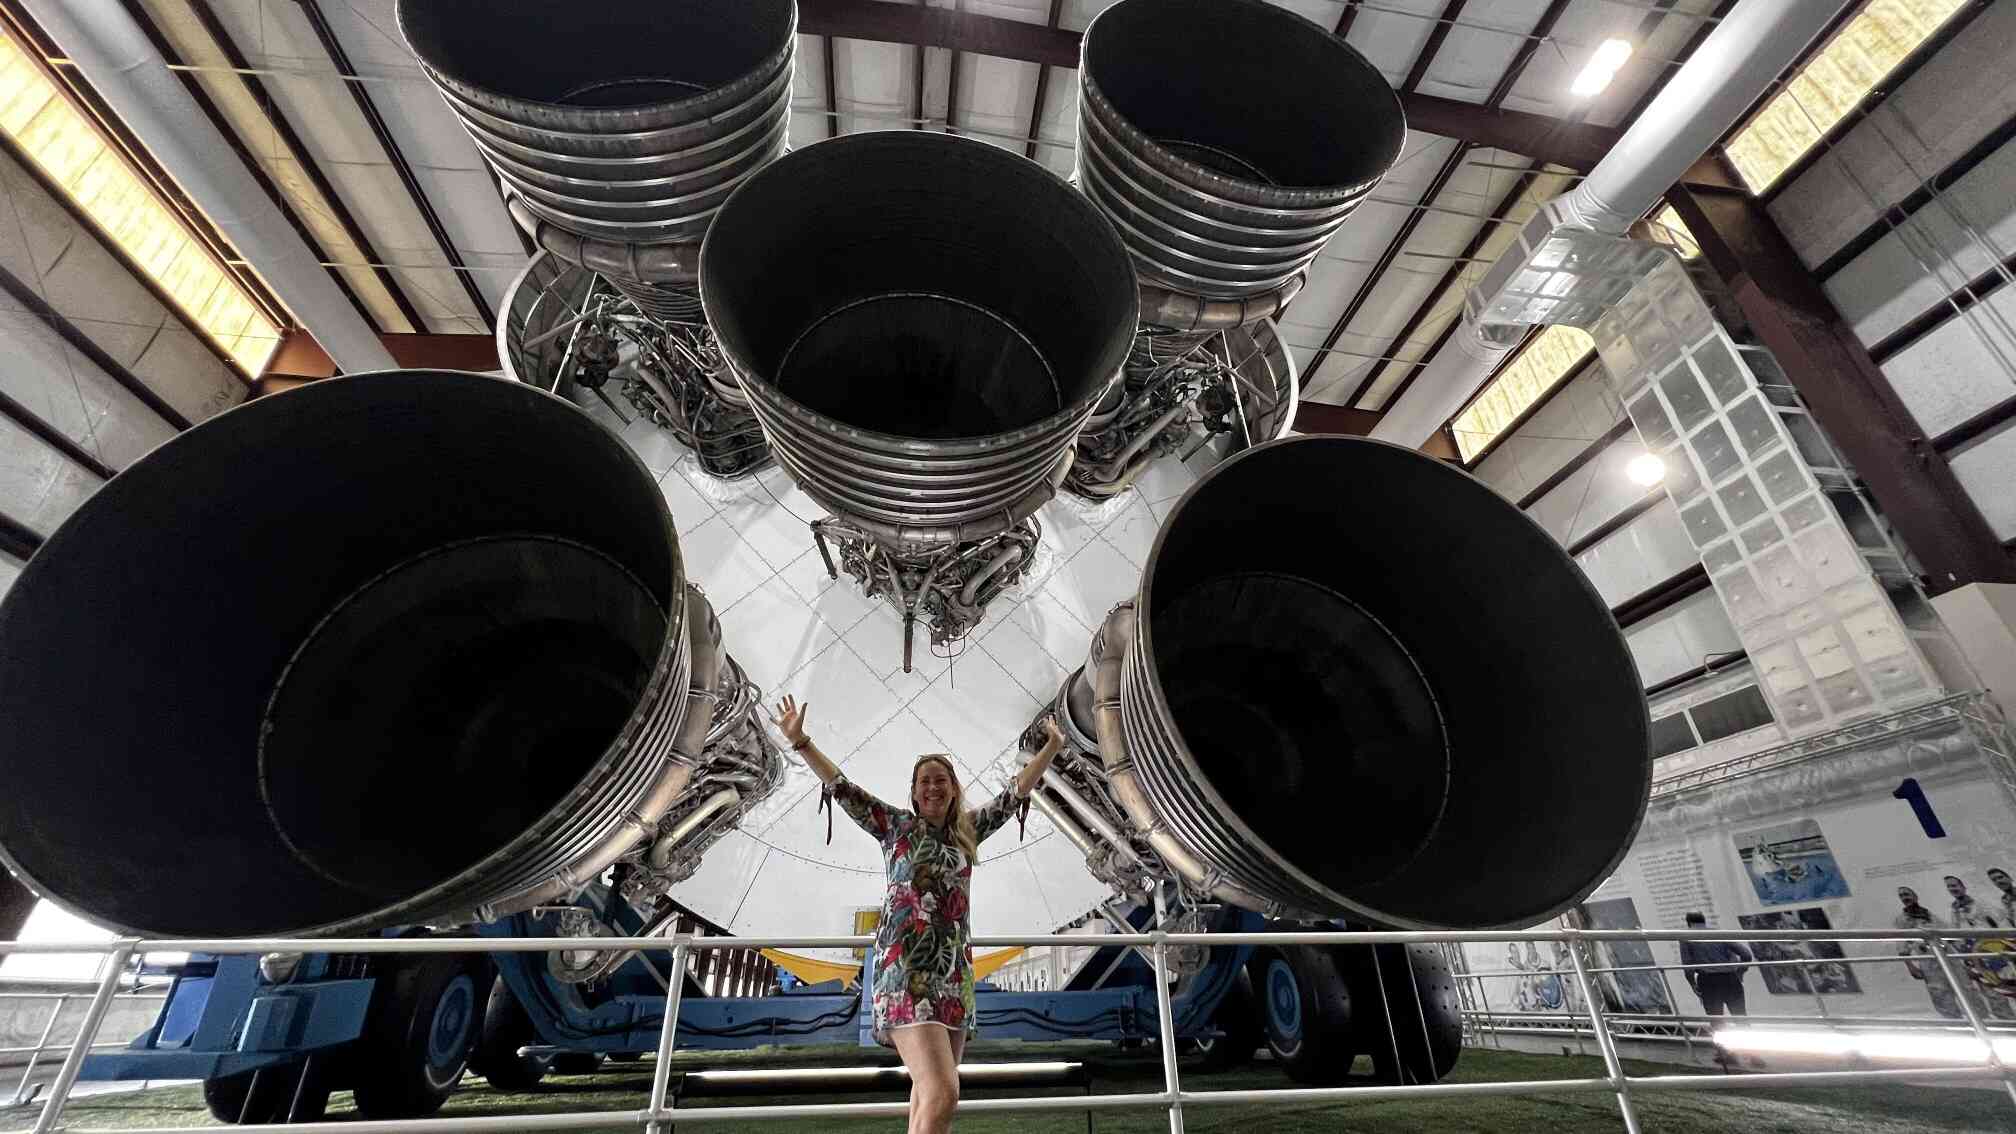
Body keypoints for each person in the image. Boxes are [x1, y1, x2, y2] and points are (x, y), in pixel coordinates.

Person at [771, 694, 1064, 1134]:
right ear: (913, 792)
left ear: (953, 789)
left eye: (941, 780)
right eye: (924, 781)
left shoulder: (968, 831)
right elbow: (842, 788)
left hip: (953, 974)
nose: (933, 787)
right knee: (943, 1092)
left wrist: (1053, 746)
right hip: (906, 972)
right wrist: (801, 741)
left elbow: (1015, 792)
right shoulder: (895, 828)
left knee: (928, 1096)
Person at [1677, 912, 1752, 1017]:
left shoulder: (1685, 937)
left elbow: (1688, 967)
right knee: (1741, 1018)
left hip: (1708, 981)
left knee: (1717, 1021)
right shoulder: (1718, 933)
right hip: (1730, 978)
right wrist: (1740, 973)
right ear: (1704, 921)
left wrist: (1693, 984)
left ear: (1688, 923)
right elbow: (1746, 954)